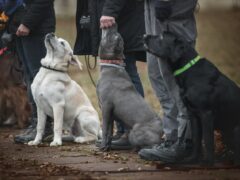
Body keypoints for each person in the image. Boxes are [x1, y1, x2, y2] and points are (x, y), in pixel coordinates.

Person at [74, 0, 146, 149]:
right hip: (112, 15)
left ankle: (133, 132)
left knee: (127, 72)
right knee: (119, 78)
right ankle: (122, 131)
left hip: (120, 16)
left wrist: (109, 11)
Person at [138, 0, 198, 163]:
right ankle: (172, 138)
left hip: (171, 5)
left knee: (176, 78)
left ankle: (187, 143)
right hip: (152, 5)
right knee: (157, 72)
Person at [13, 0, 56, 143]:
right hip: (20, 28)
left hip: (36, 28)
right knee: (29, 77)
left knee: (39, 78)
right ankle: (36, 123)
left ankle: (45, 127)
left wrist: (27, 23)